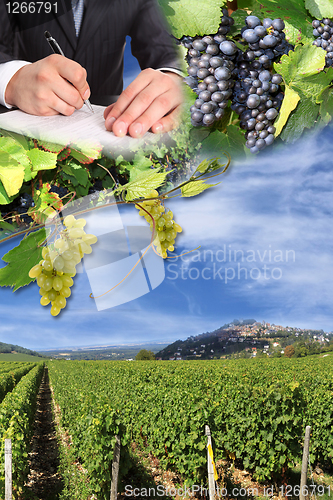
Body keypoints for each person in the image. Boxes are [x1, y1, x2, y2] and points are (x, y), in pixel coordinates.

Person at [0, 0, 184, 137]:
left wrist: (173, 78)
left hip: (103, 118)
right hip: (27, 123)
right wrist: (11, 80)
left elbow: (166, 52)